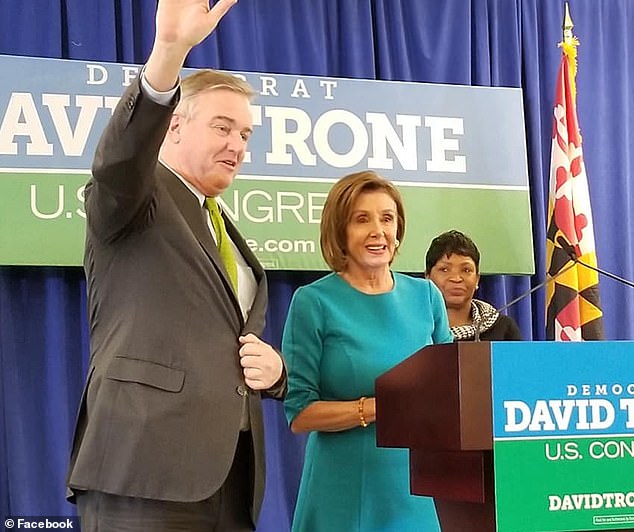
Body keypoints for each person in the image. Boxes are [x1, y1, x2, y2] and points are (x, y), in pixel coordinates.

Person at [66, 1, 286, 530]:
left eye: (246, 134)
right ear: (173, 129)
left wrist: (275, 375)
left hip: (229, 483)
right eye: (223, 127)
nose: (237, 144)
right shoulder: (135, 196)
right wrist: (169, 54)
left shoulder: (222, 227)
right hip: (143, 473)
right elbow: (121, 158)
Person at [282, 170, 453, 532]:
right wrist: (378, 409)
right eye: (362, 219)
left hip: (414, 490)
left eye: (387, 219)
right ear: (340, 231)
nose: (378, 231)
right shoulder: (313, 302)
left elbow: (449, 391)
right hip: (341, 492)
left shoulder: (426, 297)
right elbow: (299, 414)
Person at [425, 229, 522, 341]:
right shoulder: (414, 326)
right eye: (445, 269)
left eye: (466, 270)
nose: (456, 278)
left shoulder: (503, 328)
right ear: (427, 277)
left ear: (477, 279)